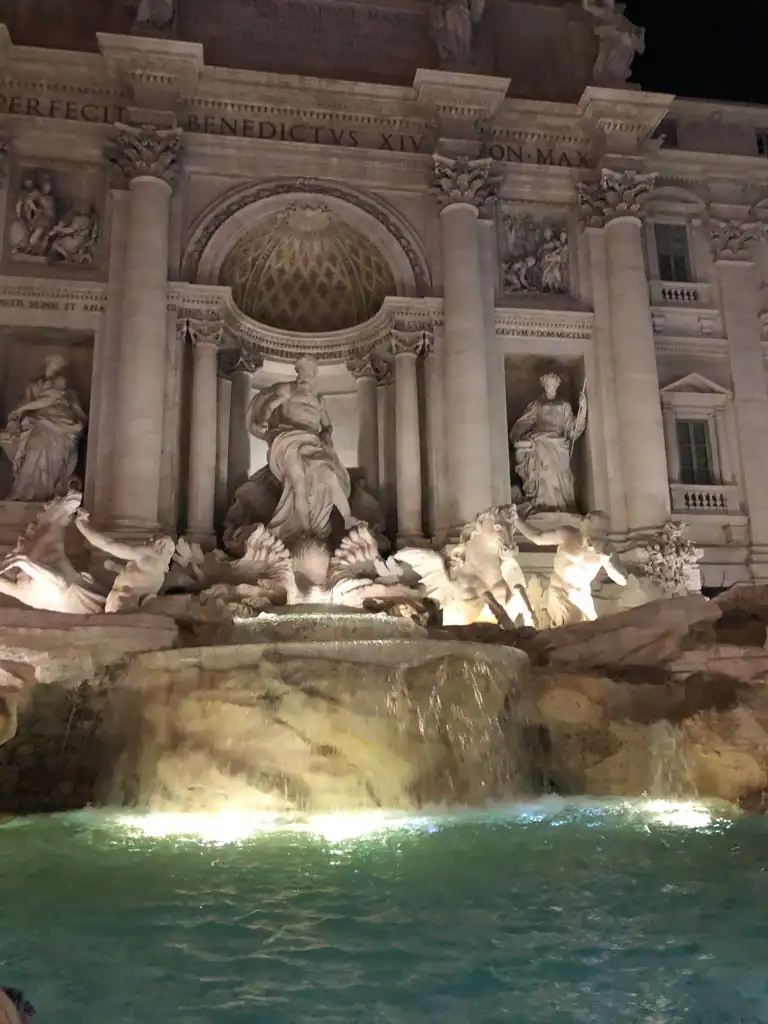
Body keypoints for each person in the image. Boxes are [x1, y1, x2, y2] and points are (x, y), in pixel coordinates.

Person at [248, 356, 355, 545]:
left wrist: (327, 436)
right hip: (288, 440)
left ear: (314, 375)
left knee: (329, 475)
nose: (307, 377)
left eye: (311, 373)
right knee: (298, 482)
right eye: (304, 372)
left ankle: (347, 517)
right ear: (298, 373)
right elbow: (269, 406)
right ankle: (306, 531)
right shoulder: (287, 389)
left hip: (312, 442)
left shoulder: (319, 400)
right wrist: (263, 420)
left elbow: (327, 425)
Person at [0, 355, 87, 502]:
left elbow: (79, 414)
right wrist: (15, 419)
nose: (56, 368)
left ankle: (50, 495)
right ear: (47, 365)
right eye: (54, 364)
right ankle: (24, 491)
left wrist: (80, 424)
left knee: (55, 458)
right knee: (34, 450)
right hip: (38, 424)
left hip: (63, 429)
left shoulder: (68, 392)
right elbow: (23, 407)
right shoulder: (34, 386)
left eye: (60, 365)